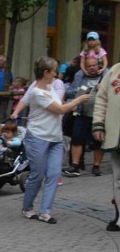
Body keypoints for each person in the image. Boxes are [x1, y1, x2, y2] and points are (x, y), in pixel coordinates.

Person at [19, 57, 90, 224]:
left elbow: (60, 103)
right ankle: (27, 207)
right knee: (37, 175)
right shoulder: (36, 91)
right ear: (46, 73)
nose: (57, 74)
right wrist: (78, 100)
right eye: (54, 71)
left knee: (54, 174)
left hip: (55, 138)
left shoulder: (50, 87)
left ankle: (45, 212)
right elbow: (59, 109)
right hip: (38, 138)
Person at [63, 57, 105, 177]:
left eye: (94, 65)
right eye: (89, 66)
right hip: (81, 113)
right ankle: (75, 166)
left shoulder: (105, 77)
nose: (92, 68)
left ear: (98, 66)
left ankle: (96, 166)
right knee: (77, 139)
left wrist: (102, 89)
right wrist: (80, 91)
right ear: (85, 68)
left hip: (99, 115)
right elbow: (69, 91)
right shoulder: (81, 77)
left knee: (98, 141)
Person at [91, 60, 120, 231]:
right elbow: (102, 100)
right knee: (118, 180)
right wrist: (99, 125)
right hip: (116, 136)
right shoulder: (114, 71)